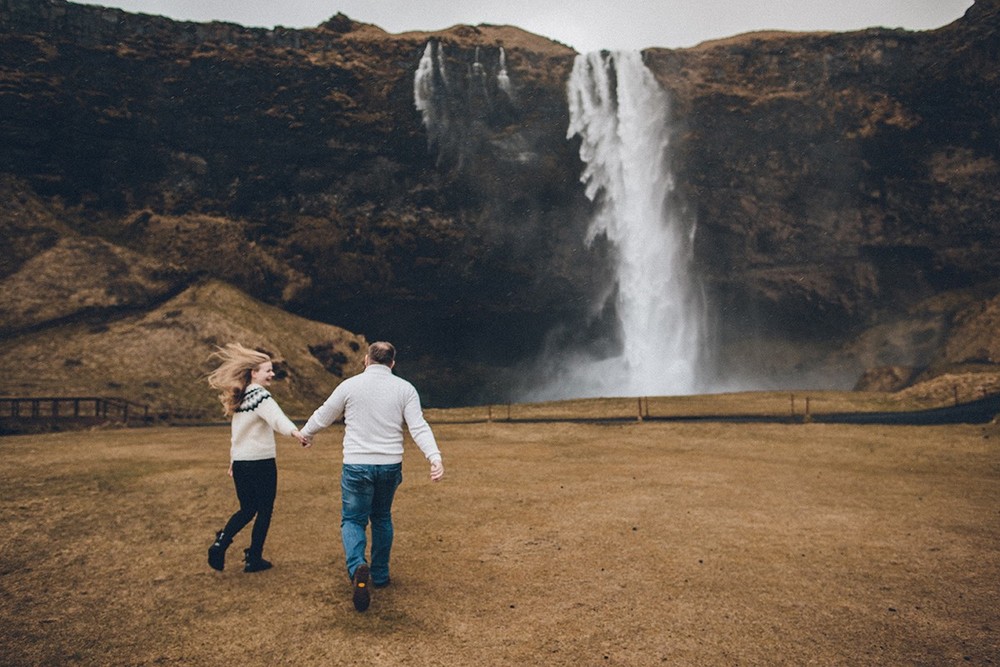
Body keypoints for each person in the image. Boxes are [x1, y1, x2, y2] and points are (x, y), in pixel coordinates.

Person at [300, 341, 444, 612]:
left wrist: (306, 433)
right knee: (381, 517)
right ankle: (379, 575)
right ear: (392, 362)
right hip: (389, 466)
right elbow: (418, 426)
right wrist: (434, 457)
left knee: (353, 519)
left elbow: (325, 414)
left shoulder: (350, 386)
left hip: (356, 464)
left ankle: (357, 568)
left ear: (366, 360)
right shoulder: (405, 389)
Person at [205, 343, 309, 573]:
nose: (272, 374)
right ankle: (254, 558)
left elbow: (236, 435)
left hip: (242, 463)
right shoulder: (260, 395)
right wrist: (295, 433)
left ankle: (220, 543)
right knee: (264, 509)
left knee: (246, 509)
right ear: (254, 372)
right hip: (261, 462)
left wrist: (233, 461)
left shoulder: (240, 397)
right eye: (267, 370)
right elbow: (276, 418)